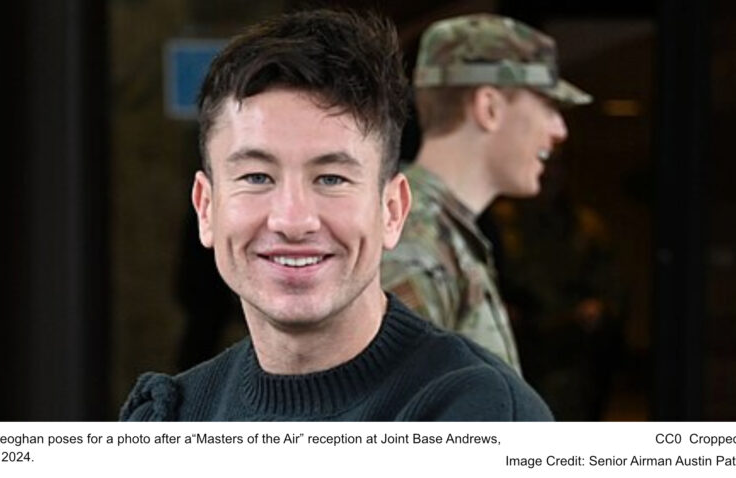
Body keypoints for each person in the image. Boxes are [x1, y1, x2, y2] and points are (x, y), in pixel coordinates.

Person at [120, 9, 551, 421]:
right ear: (207, 208)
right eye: (256, 177)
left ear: (393, 210)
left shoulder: (483, 417)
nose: (291, 220)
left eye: (330, 179)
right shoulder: (170, 417)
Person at [381, 14, 592, 374]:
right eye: (547, 105)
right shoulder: (411, 243)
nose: (559, 130)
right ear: (489, 108)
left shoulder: (438, 233)